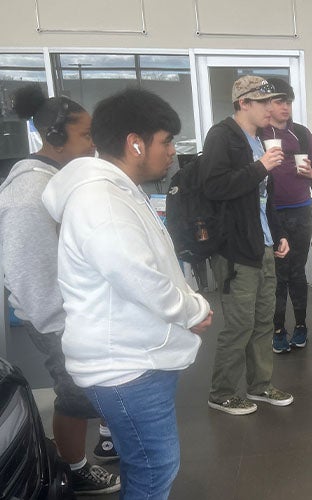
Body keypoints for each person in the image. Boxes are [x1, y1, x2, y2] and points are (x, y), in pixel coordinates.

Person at [41, 88, 213, 500]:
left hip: (134, 356)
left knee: (150, 462)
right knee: (155, 466)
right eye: (166, 140)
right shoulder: (99, 200)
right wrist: (191, 309)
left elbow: (150, 264)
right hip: (125, 367)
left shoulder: (116, 189)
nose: (172, 151)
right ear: (135, 143)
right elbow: (139, 276)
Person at [0, 84, 121, 495]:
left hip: (80, 312)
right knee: (72, 395)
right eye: (86, 135)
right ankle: (75, 468)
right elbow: (26, 271)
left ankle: (103, 442)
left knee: (92, 388)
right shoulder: (29, 194)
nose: (93, 143)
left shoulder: (60, 179)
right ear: (54, 138)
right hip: (58, 318)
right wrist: (62, 325)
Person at [201, 75, 293, 415]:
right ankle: (221, 391)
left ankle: (260, 385)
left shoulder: (260, 140)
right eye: (264, 102)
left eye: (274, 102)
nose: (273, 109)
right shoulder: (223, 136)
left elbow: (265, 199)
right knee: (239, 323)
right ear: (244, 103)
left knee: (264, 320)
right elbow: (214, 187)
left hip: (263, 242)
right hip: (236, 248)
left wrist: (279, 232)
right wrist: (259, 168)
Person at [258, 78, 312, 352]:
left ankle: (301, 325)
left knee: (297, 271)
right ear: (266, 104)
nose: (285, 107)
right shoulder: (257, 134)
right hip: (269, 213)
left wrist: (311, 173)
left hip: (301, 209)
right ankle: (277, 329)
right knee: (276, 274)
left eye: (288, 101)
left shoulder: (300, 132)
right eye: (278, 101)